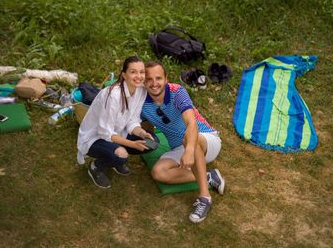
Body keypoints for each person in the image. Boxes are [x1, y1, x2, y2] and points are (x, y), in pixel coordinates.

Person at [141, 61, 225, 223]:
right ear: (144, 82)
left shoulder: (177, 91)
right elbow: (148, 129)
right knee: (159, 172)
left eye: (158, 78)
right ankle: (209, 176)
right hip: (179, 147)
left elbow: (191, 124)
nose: (154, 83)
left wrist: (189, 150)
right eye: (149, 79)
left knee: (188, 138)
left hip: (206, 139)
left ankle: (204, 198)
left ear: (166, 79)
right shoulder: (142, 103)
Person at [77, 56, 157, 189]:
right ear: (124, 75)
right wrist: (132, 144)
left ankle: (116, 159)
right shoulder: (113, 95)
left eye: (142, 72)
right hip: (95, 137)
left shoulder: (141, 90)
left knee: (152, 142)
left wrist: (142, 133)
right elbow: (104, 132)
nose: (138, 76)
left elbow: (133, 119)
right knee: (121, 155)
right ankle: (97, 166)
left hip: (119, 133)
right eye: (133, 72)